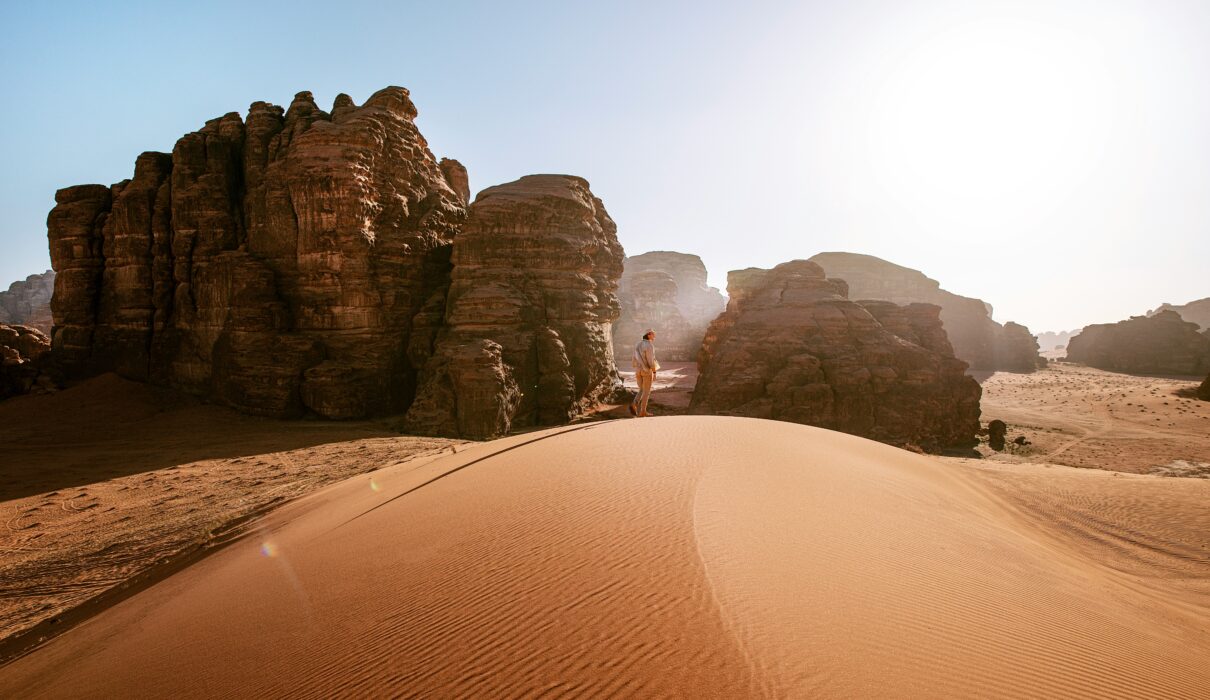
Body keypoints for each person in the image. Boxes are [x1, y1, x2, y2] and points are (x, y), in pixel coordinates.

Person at [629, 329, 660, 417]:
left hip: (638, 370)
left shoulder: (638, 344)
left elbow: (633, 358)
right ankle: (642, 411)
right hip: (646, 370)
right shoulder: (649, 345)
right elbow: (650, 360)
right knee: (646, 391)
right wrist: (654, 371)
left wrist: (636, 367)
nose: (655, 335)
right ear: (648, 335)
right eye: (653, 334)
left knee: (642, 389)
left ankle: (634, 404)